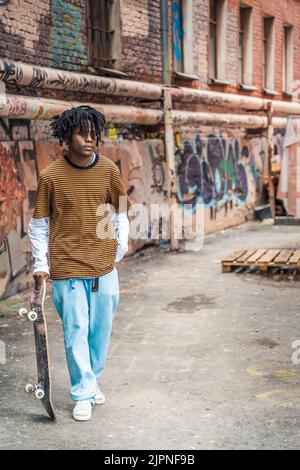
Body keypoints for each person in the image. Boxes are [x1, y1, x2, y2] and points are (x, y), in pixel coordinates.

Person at [28, 105, 132, 421]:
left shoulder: (109, 171)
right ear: (66, 136)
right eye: (82, 134)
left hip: (104, 267)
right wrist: (39, 263)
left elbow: (122, 209)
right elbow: (39, 224)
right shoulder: (51, 176)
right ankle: (82, 393)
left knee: (100, 330)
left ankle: (92, 378)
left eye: (93, 134)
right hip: (67, 266)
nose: (89, 140)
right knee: (76, 329)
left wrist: (121, 244)